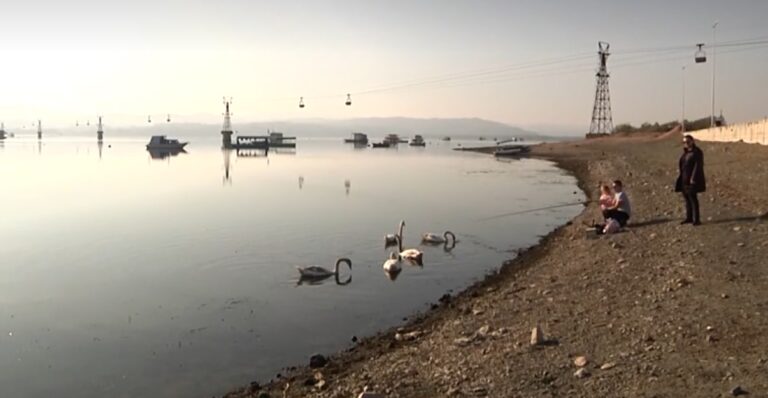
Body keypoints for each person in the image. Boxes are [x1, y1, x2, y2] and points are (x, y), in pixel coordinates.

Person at [675, 134, 706, 225]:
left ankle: (696, 219)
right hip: (684, 178)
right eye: (684, 142)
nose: (686, 144)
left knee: (693, 198)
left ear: (692, 141)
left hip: (692, 179)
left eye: (688, 142)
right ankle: (689, 218)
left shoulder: (697, 152)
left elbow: (698, 166)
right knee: (687, 199)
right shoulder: (686, 153)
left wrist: (693, 178)